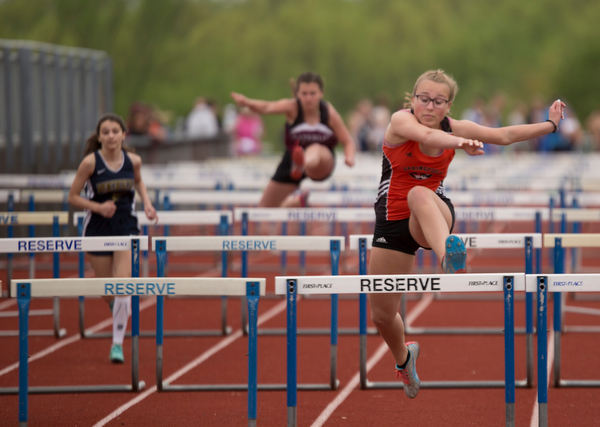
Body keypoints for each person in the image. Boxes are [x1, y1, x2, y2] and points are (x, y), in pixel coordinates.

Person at [369, 69, 565, 399]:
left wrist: (550, 125)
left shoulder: (453, 127)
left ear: (449, 106)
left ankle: (449, 257)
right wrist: (461, 143)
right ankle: (405, 359)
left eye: (438, 101)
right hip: (391, 222)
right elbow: (428, 139)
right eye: (423, 99)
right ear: (413, 99)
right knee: (382, 315)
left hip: (433, 213)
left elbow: (502, 135)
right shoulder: (400, 122)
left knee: (419, 193)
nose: (429, 106)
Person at [68, 113, 158, 363]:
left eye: (115, 131)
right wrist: (97, 208)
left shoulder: (134, 161)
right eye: (105, 132)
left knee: (123, 286)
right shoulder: (90, 163)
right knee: (107, 291)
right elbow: (73, 197)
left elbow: (138, 182)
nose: (110, 136)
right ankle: (117, 306)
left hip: (125, 226)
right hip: (97, 226)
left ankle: (117, 344)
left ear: (123, 134)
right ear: (99, 137)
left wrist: (148, 205)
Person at [231, 72, 356, 207]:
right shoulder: (292, 107)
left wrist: (349, 157)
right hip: (292, 161)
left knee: (315, 149)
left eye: (313, 93)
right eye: (304, 94)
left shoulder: (328, 112)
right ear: (297, 94)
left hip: (321, 163)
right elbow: (267, 107)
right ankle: (296, 202)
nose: (308, 98)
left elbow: (348, 141)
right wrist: (248, 102)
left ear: (321, 93)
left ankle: (303, 162)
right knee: (264, 210)